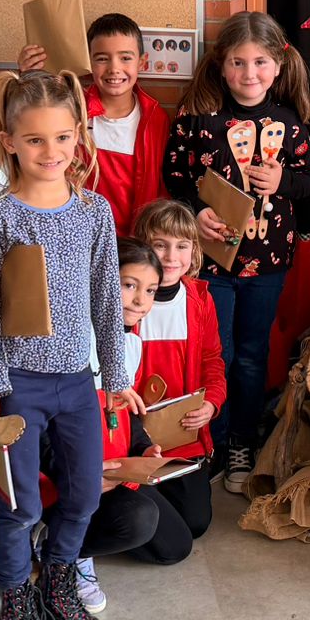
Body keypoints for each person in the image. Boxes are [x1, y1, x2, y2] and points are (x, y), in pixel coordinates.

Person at [0, 69, 134, 620]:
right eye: (35, 139)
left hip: (78, 382)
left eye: (63, 137)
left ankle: (58, 584)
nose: (51, 151)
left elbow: (107, 300)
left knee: (84, 492)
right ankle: (16, 607)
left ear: (79, 137)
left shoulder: (95, 212)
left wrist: (115, 377)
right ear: (9, 141)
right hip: (18, 385)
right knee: (19, 507)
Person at [162, 11, 310, 493]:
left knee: (251, 356)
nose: (249, 73)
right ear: (221, 64)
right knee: (217, 352)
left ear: (278, 65)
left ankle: (242, 442)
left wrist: (283, 180)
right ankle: (212, 437)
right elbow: (175, 176)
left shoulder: (288, 122)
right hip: (211, 261)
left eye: (259, 63)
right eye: (238, 62)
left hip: (268, 261)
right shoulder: (198, 118)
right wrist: (195, 212)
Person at [74, 237, 198, 601]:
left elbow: (126, 416)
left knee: (175, 545)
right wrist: (81, 473)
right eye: (129, 285)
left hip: (114, 470)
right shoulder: (74, 341)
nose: (141, 301)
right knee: (138, 518)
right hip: (70, 472)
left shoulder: (130, 344)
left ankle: (74, 535)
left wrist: (144, 449)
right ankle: (63, 553)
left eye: (150, 290)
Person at [20, 11, 171, 231]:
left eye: (125, 58)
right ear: (89, 62)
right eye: (102, 58)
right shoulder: (72, 109)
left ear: (142, 62)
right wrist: (28, 78)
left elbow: (161, 187)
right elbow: (29, 125)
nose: (114, 69)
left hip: (133, 240)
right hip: (76, 234)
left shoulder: (155, 118)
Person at [129, 197, 223, 542]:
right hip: (133, 435)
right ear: (143, 246)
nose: (171, 256)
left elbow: (213, 360)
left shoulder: (200, 299)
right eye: (160, 244)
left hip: (182, 438)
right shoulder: (126, 297)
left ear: (194, 251)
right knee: (160, 530)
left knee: (195, 523)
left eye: (182, 246)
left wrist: (211, 402)